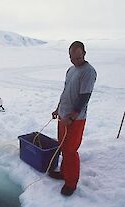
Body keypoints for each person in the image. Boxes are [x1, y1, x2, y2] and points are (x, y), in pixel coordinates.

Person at [50, 41, 97, 196]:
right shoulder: (71, 70)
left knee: (70, 150)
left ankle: (71, 183)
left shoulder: (88, 71)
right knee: (63, 146)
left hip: (75, 120)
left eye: (78, 57)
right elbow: (65, 91)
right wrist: (58, 108)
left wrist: (72, 116)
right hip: (63, 116)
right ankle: (64, 173)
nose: (75, 60)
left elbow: (84, 97)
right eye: (72, 57)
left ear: (84, 53)